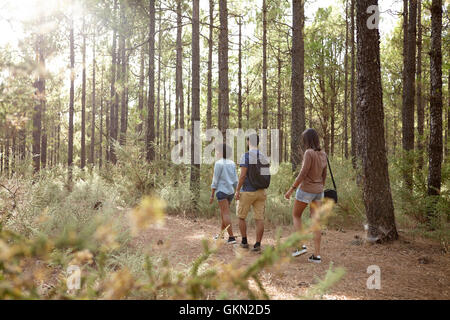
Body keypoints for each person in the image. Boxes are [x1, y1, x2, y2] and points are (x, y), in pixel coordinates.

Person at [284, 128, 327, 263]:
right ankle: (317, 255)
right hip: (319, 191)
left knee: (296, 215)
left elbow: (303, 173)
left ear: (307, 140)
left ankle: (300, 245)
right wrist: (320, 186)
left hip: (306, 189)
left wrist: (291, 189)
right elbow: (324, 174)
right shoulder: (323, 153)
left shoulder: (309, 153)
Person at [235, 134, 270, 252]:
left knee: (241, 217)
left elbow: (243, 175)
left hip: (247, 191)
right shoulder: (264, 156)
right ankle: (257, 244)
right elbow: (266, 176)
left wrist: (237, 190)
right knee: (259, 218)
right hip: (261, 192)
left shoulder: (245, 156)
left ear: (249, 141)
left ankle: (244, 242)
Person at [210, 143, 238, 244]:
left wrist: (212, 194)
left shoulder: (218, 163)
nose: (217, 153)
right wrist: (238, 191)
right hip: (230, 192)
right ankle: (221, 235)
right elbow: (235, 180)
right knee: (224, 213)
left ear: (222, 152)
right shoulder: (232, 163)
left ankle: (231, 237)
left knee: (225, 213)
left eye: (218, 151)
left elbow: (215, 180)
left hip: (221, 191)